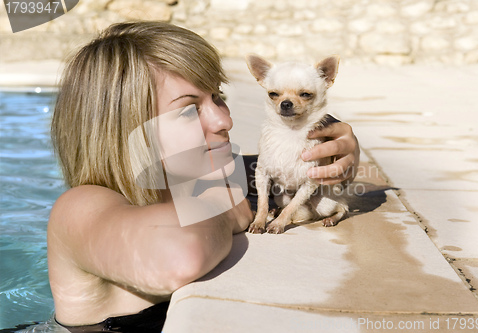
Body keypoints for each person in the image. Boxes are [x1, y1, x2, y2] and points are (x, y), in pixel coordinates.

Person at [48, 21, 360, 332]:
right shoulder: (79, 208)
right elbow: (177, 258)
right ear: (119, 130)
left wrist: (330, 159)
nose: (224, 119)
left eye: (218, 97)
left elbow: (277, 171)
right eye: (188, 110)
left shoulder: (194, 180)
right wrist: (224, 207)